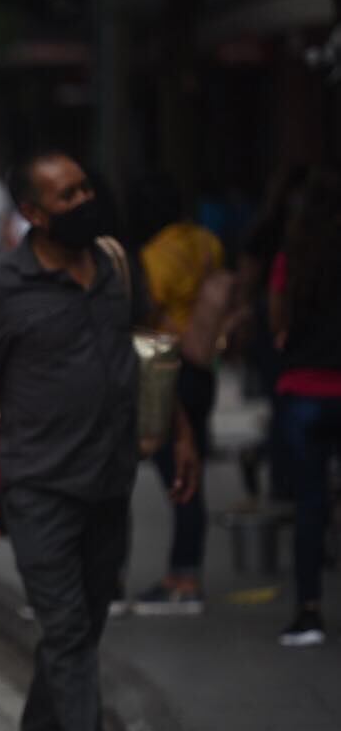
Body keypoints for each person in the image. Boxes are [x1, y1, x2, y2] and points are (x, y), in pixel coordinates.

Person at [0, 151, 199, 731]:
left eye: (86, 187)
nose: (85, 200)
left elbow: (151, 349)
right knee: (64, 629)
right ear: (32, 213)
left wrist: (180, 433)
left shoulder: (116, 264)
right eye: (67, 195)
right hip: (38, 484)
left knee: (81, 629)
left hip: (111, 477)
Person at [132, 174, 225, 614]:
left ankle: (182, 579)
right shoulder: (207, 242)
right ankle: (187, 570)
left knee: (177, 473)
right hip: (203, 365)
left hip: (168, 368)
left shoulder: (154, 256)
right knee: (193, 470)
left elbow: (144, 315)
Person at [269, 168, 341, 647]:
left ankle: (308, 611)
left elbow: (278, 321)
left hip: (303, 391)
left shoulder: (291, 257)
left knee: (310, 506)